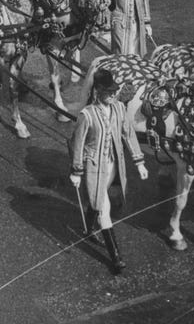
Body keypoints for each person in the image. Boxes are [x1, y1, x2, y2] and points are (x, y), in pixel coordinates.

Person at [69, 68, 148, 274]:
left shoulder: (120, 109)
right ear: (98, 92)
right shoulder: (87, 115)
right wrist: (76, 171)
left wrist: (139, 162)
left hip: (114, 165)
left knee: (97, 199)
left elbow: (128, 134)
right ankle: (115, 256)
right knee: (105, 207)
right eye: (109, 92)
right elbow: (77, 143)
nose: (113, 95)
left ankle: (88, 226)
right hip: (94, 166)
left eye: (114, 91)